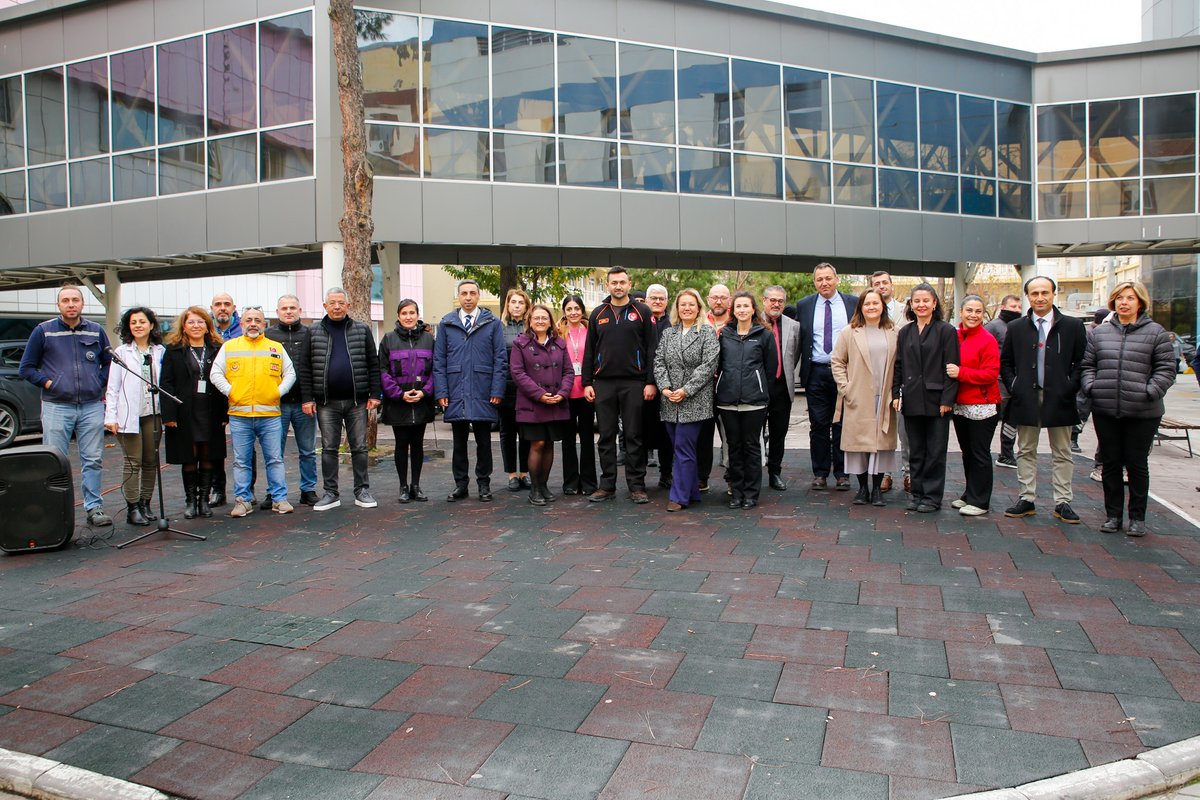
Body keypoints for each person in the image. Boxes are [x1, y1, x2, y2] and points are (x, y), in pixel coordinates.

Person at [1082, 281, 1176, 536]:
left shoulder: (1155, 332)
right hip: (1106, 408)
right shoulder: (1100, 334)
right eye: (1120, 298)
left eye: (1130, 298)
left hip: (1143, 411)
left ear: (1140, 302)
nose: (1124, 302)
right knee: (1110, 463)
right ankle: (1113, 516)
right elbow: (1088, 365)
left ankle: (1137, 518)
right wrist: (1092, 386)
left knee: (1136, 464)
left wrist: (1150, 391)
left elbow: (1166, 369)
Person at [19, 284, 113, 527]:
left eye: (75, 300)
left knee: (92, 459)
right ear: (58, 305)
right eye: (66, 300)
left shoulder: (95, 331)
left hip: (91, 405)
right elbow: (26, 368)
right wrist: (50, 383)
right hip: (56, 406)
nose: (71, 304)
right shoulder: (43, 331)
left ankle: (94, 507)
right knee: (53, 459)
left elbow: (108, 363)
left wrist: (97, 384)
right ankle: (54, 508)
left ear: (82, 304)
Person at [1000, 276, 1087, 523]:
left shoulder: (1072, 326)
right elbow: (1006, 362)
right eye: (1034, 293)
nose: (1040, 297)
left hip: (1059, 397)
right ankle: (1026, 498)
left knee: (1062, 450)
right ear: (1028, 296)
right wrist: (1014, 385)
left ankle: (1063, 501)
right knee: (1026, 449)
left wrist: (1070, 387)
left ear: (1053, 294)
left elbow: (1082, 361)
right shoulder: (1016, 327)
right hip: (1026, 397)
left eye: (1044, 293)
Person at [209, 306, 295, 517]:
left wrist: (278, 392)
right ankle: (243, 500)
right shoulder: (230, 347)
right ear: (242, 324)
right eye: (249, 320)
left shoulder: (275, 347)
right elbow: (215, 374)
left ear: (264, 324)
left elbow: (290, 373)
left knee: (275, 459)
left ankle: (279, 499)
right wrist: (231, 391)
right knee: (241, 461)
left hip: (270, 415)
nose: (253, 323)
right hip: (240, 415)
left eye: (258, 320)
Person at [582, 267, 659, 504]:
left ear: (629, 283)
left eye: (622, 282)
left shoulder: (643, 311)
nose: (618, 286)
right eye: (614, 282)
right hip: (603, 383)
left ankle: (637, 486)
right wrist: (587, 382)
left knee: (634, 435)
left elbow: (652, 349)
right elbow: (589, 351)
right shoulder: (597, 313)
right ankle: (607, 486)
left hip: (634, 383)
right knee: (606, 436)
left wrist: (650, 382)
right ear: (608, 285)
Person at [305, 287, 382, 511]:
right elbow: (306, 368)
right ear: (325, 306)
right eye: (332, 303)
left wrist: (375, 394)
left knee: (360, 447)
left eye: (341, 302)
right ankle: (331, 493)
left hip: (357, 401)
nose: (337, 306)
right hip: (326, 403)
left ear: (348, 305)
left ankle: (362, 491)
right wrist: (307, 398)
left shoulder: (361, 330)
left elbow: (373, 363)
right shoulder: (313, 332)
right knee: (329, 448)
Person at [434, 279, 507, 502]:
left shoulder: (492, 324)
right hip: (456, 390)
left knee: (484, 442)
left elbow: (500, 359)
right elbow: (439, 361)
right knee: (459, 443)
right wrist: (442, 392)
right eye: (464, 293)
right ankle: (460, 485)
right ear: (459, 296)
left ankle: (484, 484)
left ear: (478, 296)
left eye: (472, 293)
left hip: (484, 391)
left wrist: (497, 389)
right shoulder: (446, 324)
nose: (468, 297)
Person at [892, 283, 959, 512]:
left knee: (935, 452)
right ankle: (917, 494)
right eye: (916, 301)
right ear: (911, 304)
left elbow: (951, 367)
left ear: (934, 303)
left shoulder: (946, 331)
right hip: (911, 399)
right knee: (916, 450)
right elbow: (898, 366)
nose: (921, 305)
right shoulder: (905, 332)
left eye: (925, 300)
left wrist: (947, 400)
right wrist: (895, 394)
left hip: (936, 400)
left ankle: (932, 497)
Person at [654, 289, 719, 512]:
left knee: (683, 447)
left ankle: (678, 497)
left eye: (691, 304)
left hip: (694, 400)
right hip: (670, 399)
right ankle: (692, 492)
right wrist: (664, 388)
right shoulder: (668, 334)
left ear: (699, 307)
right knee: (679, 447)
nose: (687, 308)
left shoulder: (707, 333)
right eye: (683, 304)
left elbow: (708, 367)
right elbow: (659, 361)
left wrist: (686, 390)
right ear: (677, 308)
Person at [831, 289, 897, 507]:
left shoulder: (893, 331)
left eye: (875, 303)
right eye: (867, 304)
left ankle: (877, 489)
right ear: (860, 307)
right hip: (858, 395)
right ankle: (862, 488)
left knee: (880, 445)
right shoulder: (850, 332)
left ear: (882, 306)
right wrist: (846, 388)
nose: (871, 307)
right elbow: (837, 361)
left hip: (884, 396)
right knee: (859, 445)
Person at [160, 307, 227, 520]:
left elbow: (226, 379)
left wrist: (225, 413)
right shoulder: (174, 350)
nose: (196, 326)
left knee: (208, 455)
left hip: (211, 410)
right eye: (191, 322)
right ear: (184, 326)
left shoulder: (218, 348)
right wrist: (168, 415)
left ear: (208, 325)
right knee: (189, 456)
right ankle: (190, 501)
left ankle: (204, 501)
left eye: (200, 322)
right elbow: (166, 383)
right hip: (184, 411)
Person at [796, 262, 858, 490]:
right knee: (819, 425)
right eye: (819, 279)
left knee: (843, 424)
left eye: (828, 278)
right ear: (815, 282)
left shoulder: (853, 302)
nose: (824, 283)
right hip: (816, 373)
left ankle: (843, 473)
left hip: (846, 373)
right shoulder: (804, 305)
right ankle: (820, 472)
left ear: (837, 279)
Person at [104, 307, 166, 526]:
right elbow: (112, 387)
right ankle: (132, 508)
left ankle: (145, 503)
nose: (138, 325)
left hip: (153, 414)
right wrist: (111, 417)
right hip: (129, 415)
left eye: (142, 321)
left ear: (151, 325)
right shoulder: (121, 353)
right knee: (133, 462)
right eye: (133, 322)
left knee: (151, 461)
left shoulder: (160, 351)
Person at [715, 292, 778, 509]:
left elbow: (771, 369)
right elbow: (719, 365)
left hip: (754, 401)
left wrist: (759, 390)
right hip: (727, 400)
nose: (742, 310)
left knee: (751, 446)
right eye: (738, 306)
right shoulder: (724, 334)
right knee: (733, 447)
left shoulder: (764, 335)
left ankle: (751, 494)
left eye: (746, 306)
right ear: (733, 310)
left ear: (753, 310)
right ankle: (737, 492)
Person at [510, 304, 574, 506]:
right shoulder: (520, 344)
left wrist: (562, 394)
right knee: (537, 443)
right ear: (529, 321)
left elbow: (568, 372)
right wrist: (539, 394)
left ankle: (544, 485)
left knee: (549, 444)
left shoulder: (560, 344)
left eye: (544, 318)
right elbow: (518, 373)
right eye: (536, 318)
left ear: (550, 321)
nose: (540, 321)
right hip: (533, 403)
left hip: (556, 402)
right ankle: (535, 488)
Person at [946, 295, 1001, 516]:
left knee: (980, 453)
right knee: (967, 452)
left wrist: (962, 373)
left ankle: (981, 500)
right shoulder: (955, 336)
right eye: (969, 310)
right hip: (960, 405)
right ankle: (970, 493)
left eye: (978, 311)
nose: (973, 315)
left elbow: (990, 374)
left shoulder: (988, 340)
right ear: (961, 312)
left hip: (982, 406)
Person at [379, 299, 435, 503]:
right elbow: (383, 371)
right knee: (401, 444)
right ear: (398, 316)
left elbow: (436, 370)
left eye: (412, 312)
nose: (408, 317)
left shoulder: (429, 339)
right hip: (398, 403)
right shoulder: (388, 339)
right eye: (404, 313)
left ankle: (416, 486)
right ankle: (403, 486)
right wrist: (398, 393)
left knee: (418, 444)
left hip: (421, 402)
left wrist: (425, 392)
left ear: (418, 315)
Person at [266, 294, 318, 508]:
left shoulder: (310, 334)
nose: (289, 311)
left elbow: (315, 367)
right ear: (277, 312)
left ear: (300, 310)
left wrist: (312, 398)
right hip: (275, 404)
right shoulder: (267, 335)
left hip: (304, 403)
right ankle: (273, 492)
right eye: (284, 308)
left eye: (293, 308)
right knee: (274, 451)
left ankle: (308, 489)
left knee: (307, 450)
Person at [871, 270, 907, 493]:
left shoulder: (906, 310)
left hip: (904, 376)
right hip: (879, 379)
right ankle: (884, 473)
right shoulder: (869, 312)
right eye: (877, 283)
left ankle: (909, 473)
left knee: (905, 431)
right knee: (883, 430)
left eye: (885, 282)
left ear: (892, 285)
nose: (882, 286)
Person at [558, 295, 597, 496]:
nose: (573, 312)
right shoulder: (558, 333)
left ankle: (589, 481)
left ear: (582, 310)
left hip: (586, 390)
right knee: (568, 439)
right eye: (569, 308)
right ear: (564, 311)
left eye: (576, 308)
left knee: (588, 437)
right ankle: (571, 482)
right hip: (565, 392)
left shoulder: (591, 331)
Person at [762, 285, 800, 491]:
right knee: (754, 435)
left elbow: (795, 355)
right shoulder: (753, 321)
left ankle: (774, 472)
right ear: (764, 301)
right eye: (772, 300)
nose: (776, 304)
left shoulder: (794, 326)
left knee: (778, 434)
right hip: (757, 387)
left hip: (782, 388)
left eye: (780, 301)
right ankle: (751, 472)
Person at [208, 291, 243, 508]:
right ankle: (217, 489)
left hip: (242, 395)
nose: (222, 308)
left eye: (226, 304)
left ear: (233, 307)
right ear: (211, 308)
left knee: (245, 446)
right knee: (215, 446)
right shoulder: (205, 331)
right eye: (218, 304)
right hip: (213, 396)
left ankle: (246, 489)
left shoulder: (243, 330)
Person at [697, 283, 732, 492]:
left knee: (730, 437)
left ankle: (731, 477)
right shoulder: (699, 322)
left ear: (729, 300)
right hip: (703, 387)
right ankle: (702, 477)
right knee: (702, 436)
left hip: (727, 387)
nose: (719, 301)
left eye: (723, 297)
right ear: (708, 299)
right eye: (715, 297)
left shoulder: (736, 322)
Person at [499, 288, 532, 492]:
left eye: (521, 302)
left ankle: (525, 473)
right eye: (513, 302)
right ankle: (511, 474)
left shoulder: (531, 328)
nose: (517, 306)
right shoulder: (499, 328)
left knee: (527, 432)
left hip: (527, 389)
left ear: (527, 306)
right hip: (506, 388)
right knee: (507, 433)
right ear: (508, 306)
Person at [984, 294, 1023, 469]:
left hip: (1015, 382)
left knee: (1011, 420)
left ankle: (1006, 454)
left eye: (1018, 307)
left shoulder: (1021, 326)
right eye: (1012, 306)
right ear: (1003, 306)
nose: (1016, 310)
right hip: (997, 383)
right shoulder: (992, 327)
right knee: (993, 420)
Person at [644, 283, 673, 488]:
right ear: (646, 300)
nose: (657, 301)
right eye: (653, 298)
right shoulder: (638, 321)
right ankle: (638, 478)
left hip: (669, 387)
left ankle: (667, 473)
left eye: (661, 298)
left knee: (667, 434)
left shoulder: (673, 324)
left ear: (666, 302)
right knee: (640, 432)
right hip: (642, 386)